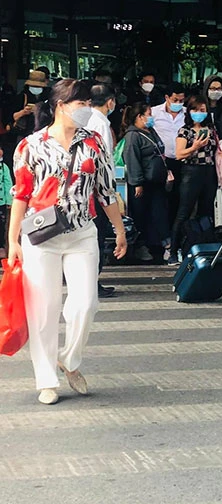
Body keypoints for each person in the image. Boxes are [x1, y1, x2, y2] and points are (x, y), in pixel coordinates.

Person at [8, 78, 127, 405]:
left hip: (82, 232)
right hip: (40, 236)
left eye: (89, 103)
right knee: (43, 310)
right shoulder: (31, 145)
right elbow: (21, 194)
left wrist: (119, 230)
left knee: (86, 303)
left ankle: (69, 360)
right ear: (61, 105)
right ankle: (46, 379)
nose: (87, 109)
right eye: (81, 104)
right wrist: (12, 239)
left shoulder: (94, 143)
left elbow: (106, 191)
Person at [170, 95, 221, 264]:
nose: (199, 113)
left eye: (202, 110)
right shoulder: (185, 131)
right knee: (184, 211)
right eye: (195, 110)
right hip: (191, 172)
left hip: (209, 172)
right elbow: (179, 154)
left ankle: (204, 247)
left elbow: (216, 150)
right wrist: (195, 147)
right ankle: (174, 251)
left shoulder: (211, 130)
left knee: (206, 211)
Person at [123, 103, 170, 265]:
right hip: (144, 182)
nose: (151, 117)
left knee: (159, 212)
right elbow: (132, 160)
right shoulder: (133, 136)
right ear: (140, 117)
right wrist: (137, 183)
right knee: (141, 215)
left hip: (156, 181)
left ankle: (164, 244)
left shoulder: (150, 131)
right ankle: (141, 246)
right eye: (149, 114)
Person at [86, 83, 119, 295]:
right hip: (97, 190)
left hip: (88, 189)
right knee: (96, 236)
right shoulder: (100, 125)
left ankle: (89, 281)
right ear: (110, 102)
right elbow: (103, 162)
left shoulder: (87, 120)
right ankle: (91, 282)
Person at [151, 83, 186, 254]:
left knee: (178, 201)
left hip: (183, 161)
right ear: (167, 98)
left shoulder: (188, 113)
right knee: (161, 201)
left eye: (181, 100)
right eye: (175, 100)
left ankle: (176, 240)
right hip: (162, 162)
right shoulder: (154, 113)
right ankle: (162, 241)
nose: (178, 103)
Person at [12, 70, 48, 141]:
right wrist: (24, 112)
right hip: (24, 133)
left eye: (38, 86)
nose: (36, 88)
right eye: (33, 86)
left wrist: (41, 109)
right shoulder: (21, 96)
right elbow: (12, 117)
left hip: (43, 133)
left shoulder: (48, 96)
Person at [0, 145, 12, 259]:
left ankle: (1, 248)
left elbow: (8, 183)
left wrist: (9, 200)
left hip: (1, 202)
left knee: (1, 226)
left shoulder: (4, 167)